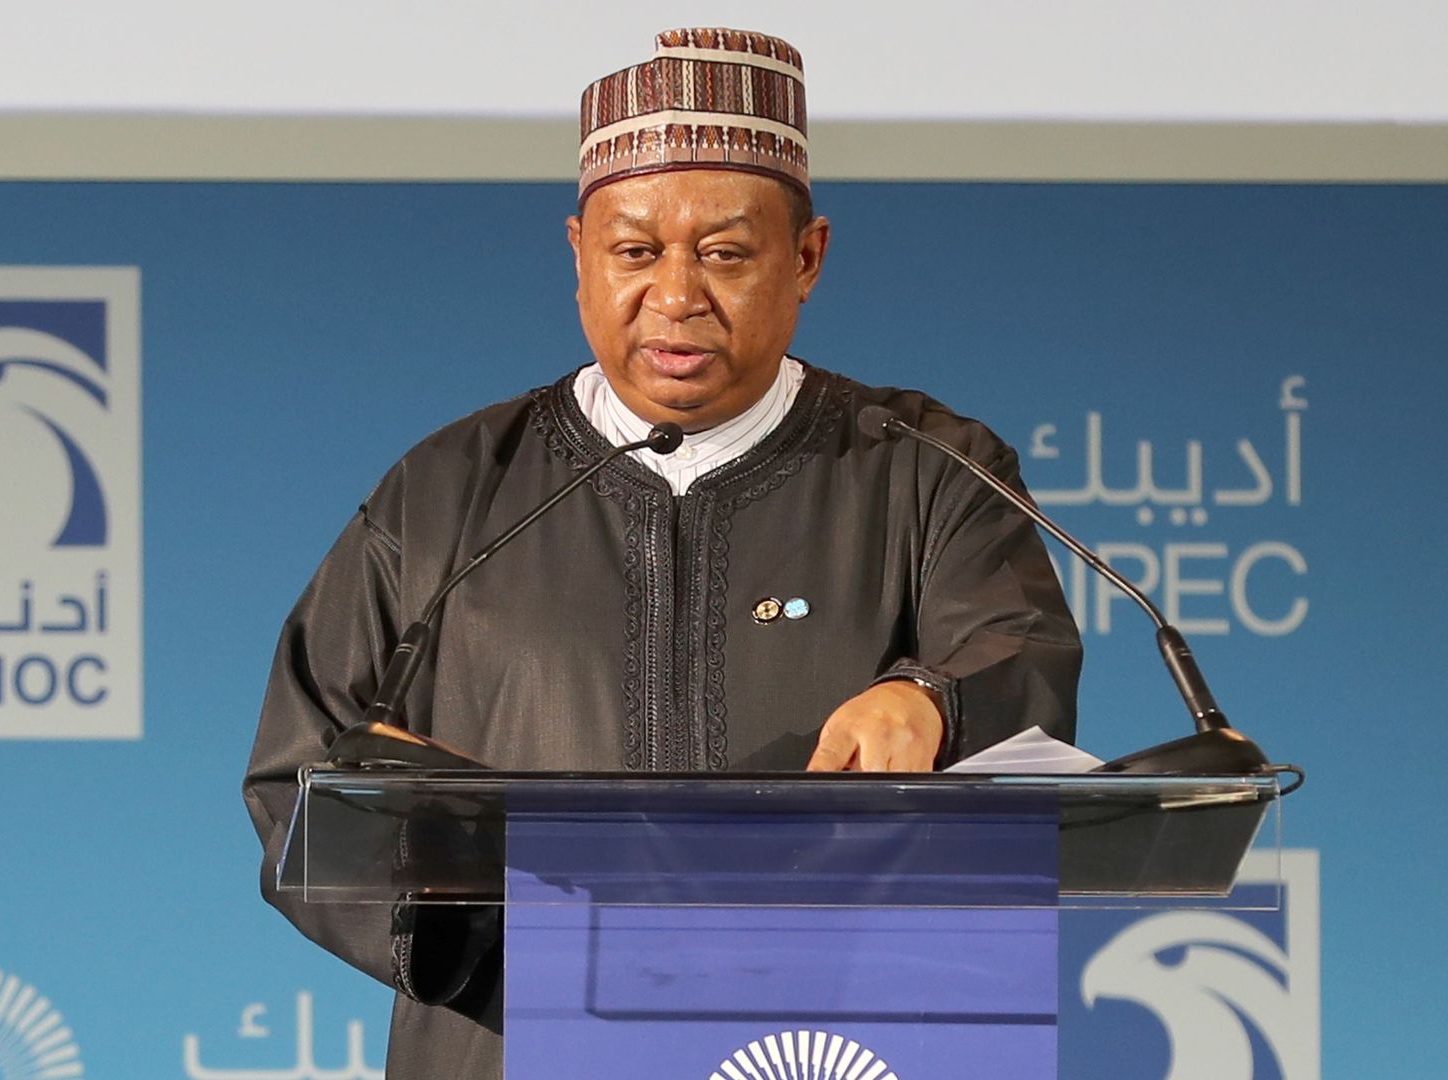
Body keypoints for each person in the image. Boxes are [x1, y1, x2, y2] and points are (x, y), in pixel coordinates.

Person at [244, 27, 1082, 1080]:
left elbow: (1020, 655)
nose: (677, 294)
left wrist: (931, 697)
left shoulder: (921, 467)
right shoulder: (452, 491)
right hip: (516, 1035)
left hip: (837, 1042)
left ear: (808, 257)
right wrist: (460, 928)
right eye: (635, 252)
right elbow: (301, 775)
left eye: (726, 253)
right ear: (580, 255)